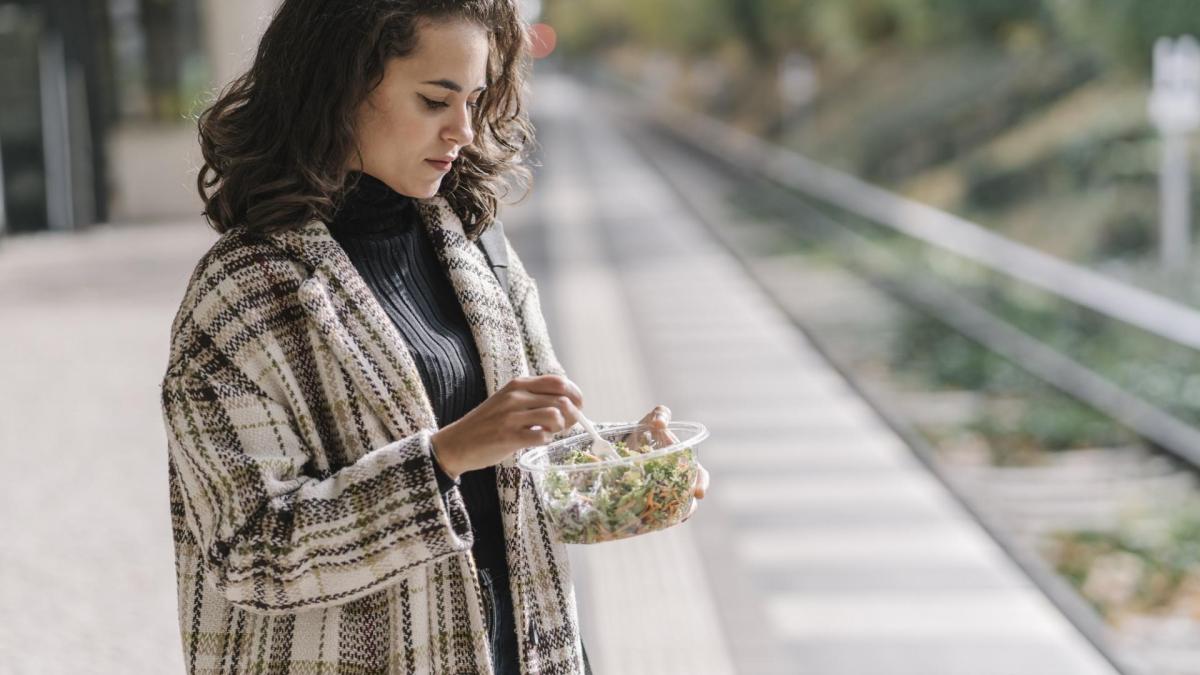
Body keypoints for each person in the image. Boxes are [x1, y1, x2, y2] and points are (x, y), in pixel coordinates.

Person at [159, 1, 710, 673]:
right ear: (337, 88)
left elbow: (516, 470)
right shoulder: (242, 295)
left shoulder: (477, 250)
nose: (463, 130)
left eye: (476, 101)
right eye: (433, 100)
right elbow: (247, 553)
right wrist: (443, 457)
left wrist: (625, 464)